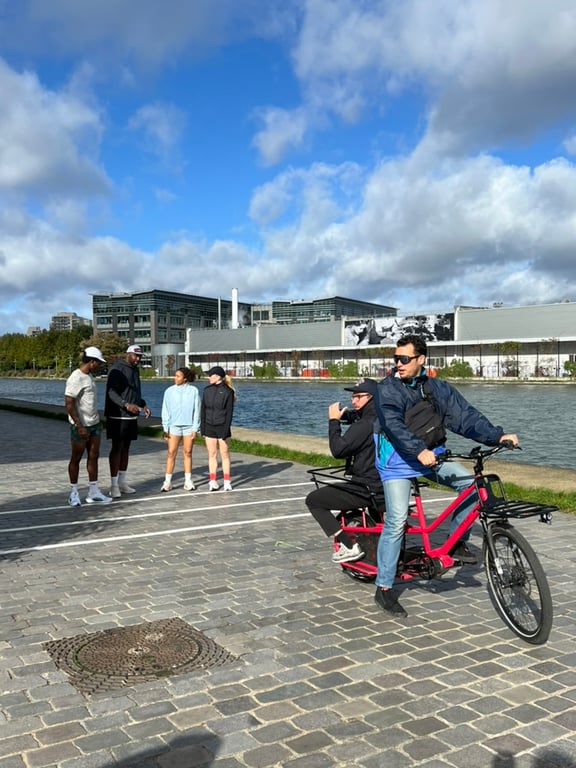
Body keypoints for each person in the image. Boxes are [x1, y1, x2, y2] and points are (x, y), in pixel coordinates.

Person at [374, 334, 518, 617]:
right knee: (397, 520)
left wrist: (497, 435)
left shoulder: (437, 389)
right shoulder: (387, 389)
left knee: (472, 486)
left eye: (404, 359)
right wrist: (418, 451)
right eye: (396, 359)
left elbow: (465, 417)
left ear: (421, 359)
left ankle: (455, 543)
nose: (398, 364)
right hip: (396, 461)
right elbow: (392, 425)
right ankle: (384, 588)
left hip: (430, 454)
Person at [305, 379, 385, 563]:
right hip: (385, 484)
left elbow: (338, 450)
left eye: (358, 397)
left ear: (371, 398)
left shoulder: (364, 424)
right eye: (352, 396)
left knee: (314, 500)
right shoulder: (384, 418)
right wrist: (346, 416)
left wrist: (333, 422)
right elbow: (358, 418)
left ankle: (349, 546)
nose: (353, 401)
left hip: (366, 488)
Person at [64, 346, 112, 506]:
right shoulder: (76, 377)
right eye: (98, 362)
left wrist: (97, 420)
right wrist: (79, 426)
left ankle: (93, 492)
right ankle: (74, 493)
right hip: (81, 426)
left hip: (94, 424)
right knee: (76, 458)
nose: (99, 365)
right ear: (91, 362)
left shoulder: (89, 376)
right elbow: (69, 404)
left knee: (94, 456)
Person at [105, 344, 151, 498]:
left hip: (131, 415)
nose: (138, 359)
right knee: (117, 448)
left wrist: (142, 404)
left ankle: (122, 482)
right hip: (117, 415)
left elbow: (133, 392)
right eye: (135, 356)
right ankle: (113, 485)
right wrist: (126, 404)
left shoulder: (135, 369)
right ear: (128, 354)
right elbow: (111, 392)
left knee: (126, 448)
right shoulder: (117, 369)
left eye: (140, 356)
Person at [160, 367, 201, 492]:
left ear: (185, 378)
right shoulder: (169, 391)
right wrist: (165, 428)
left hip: (189, 427)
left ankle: (188, 481)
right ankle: (167, 482)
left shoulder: (194, 391)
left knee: (188, 452)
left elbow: (197, 411)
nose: (175, 378)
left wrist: (195, 428)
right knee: (171, 452)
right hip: (173, 427)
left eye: (178, 376)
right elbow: (165, 410)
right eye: (175, 375)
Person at [200, 366, 235, 491]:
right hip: (209, 426)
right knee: (212, 454)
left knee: (224, 454)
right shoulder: (207, 390)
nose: (208, 377)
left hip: (222, 427)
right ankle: (212, 481)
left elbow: (229, 413)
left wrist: (226, 430)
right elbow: (203, 410)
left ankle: (226, 482)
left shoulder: (228, 392)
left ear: (218, 376)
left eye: (211, 375)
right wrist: (202, 428)